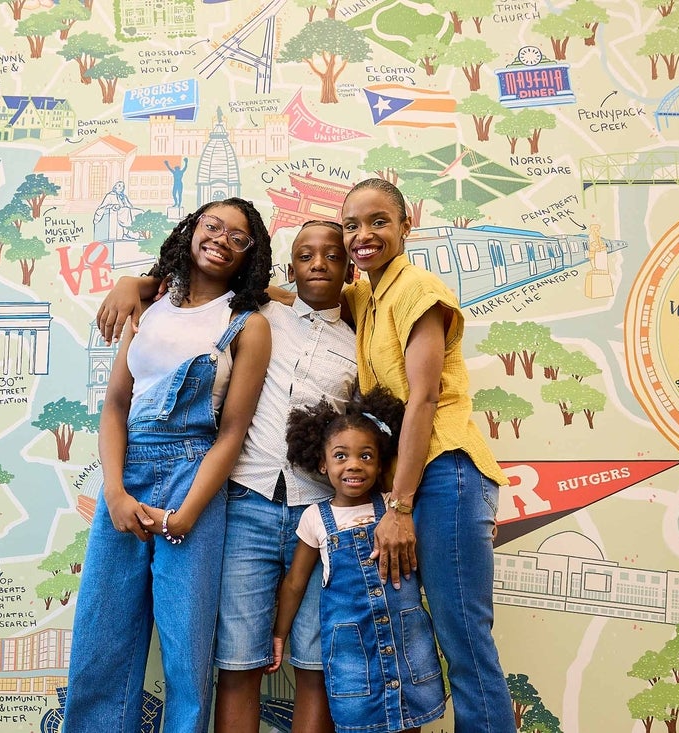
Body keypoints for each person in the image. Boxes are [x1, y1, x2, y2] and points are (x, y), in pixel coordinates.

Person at [97, 220, 358, 733]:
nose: (319, 264)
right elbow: (204, 281)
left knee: (315, 664)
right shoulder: (261, 314)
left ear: (350, 269)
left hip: (317, 509)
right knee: (236, 663)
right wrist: (137, 282)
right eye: (305, 256)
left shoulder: (357, 341)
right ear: (288, 267)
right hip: (247, 501)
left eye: (332, 256)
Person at [65, 198, 273, 733]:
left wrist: (185, 514)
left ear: (250, 254)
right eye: (213, 226)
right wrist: (112, 491)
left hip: (194, 480)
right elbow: (115, 405)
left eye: (239, 237)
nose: (222, 239)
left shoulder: (246, 323)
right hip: (129, 472)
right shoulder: (148, 306)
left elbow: (232, 434)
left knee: (187, 649)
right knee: (101, 634)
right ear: (192, 229)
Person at [337, 178, 515, 732]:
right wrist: (153, 281)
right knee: (440, 637)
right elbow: (299, 289)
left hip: (445, 473)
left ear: (406, 226)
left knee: (464, 641)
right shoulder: (369, 293)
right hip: (420, 480)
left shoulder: (418, 289)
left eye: (378, 222)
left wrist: (400, 507)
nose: (363, 235)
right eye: (351, 226)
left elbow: (425, 399)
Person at [268, 386, 445, 733]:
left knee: (410, 718)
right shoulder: (315, 519)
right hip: (354, 653)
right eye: (341, 456)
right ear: (322, 462)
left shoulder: (396, 511)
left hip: (406, 642)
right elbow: (295, 582)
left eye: (366, 456)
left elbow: (434, 542)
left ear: (380, 464)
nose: (354, 465)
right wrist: (279, 633)